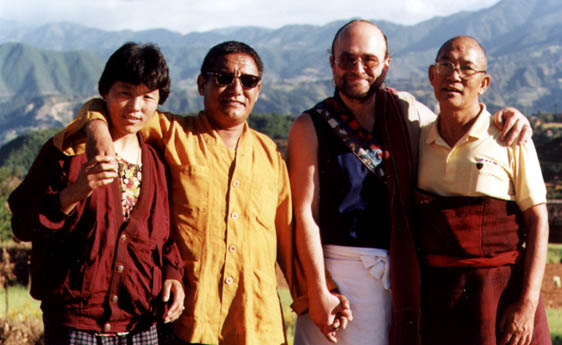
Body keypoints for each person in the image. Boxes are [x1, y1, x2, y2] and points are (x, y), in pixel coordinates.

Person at [287, 20, 533, 345]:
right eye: (347, 59)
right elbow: (306, 213)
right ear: (332, 63)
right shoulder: (310, 125)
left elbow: (457, 128)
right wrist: (318, 291)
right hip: (338, 279)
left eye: (369, 60)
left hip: (405, 278)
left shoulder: (408, 113)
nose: (357, 68)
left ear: (386, 63)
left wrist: (507, 118)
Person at [51, 41, 306, 345]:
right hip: (190, 322)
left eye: (248, 81)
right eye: (224, 78)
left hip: (258, 325)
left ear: (258, 89)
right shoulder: (173, 134)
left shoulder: (270, 156)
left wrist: (312, 301)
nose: (236, 89)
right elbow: (115, 106)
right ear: (202, 84)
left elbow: (290, 241)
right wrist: (96, 128)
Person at [8, 42, 185, 345]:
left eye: (147, 97)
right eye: (125, 93)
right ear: (105, 93)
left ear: (159, 101)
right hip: (76, 325)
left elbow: (164, 237)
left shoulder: (156, 161)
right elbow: (22, 223)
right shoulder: (67, 152)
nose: (135, 107)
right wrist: (75, 192)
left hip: (142, 323)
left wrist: (173, 275)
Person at [415, 35, 551, 345]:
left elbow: (538, 221)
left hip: (500, 296)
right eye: (445, 64)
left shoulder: (510, 137)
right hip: (439, 300)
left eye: (467, 68)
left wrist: (527, 305)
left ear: (485, 82)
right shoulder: (416, 139)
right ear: (432, 76)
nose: (454, 75)